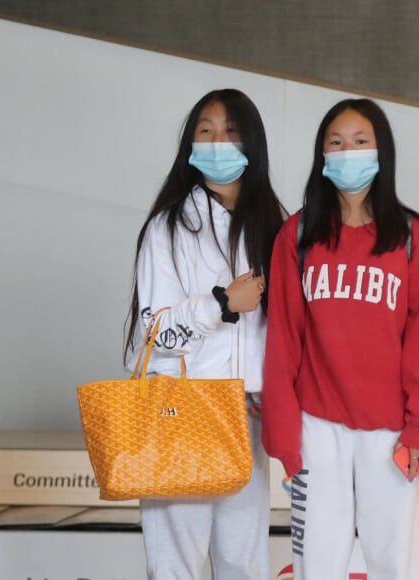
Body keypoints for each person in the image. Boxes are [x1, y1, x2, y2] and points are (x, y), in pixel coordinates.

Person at [262, 98, 419, 580]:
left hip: (391, 431)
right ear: (322, 155)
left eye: (360, 141)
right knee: (317, 567)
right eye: (336, 142)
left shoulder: (412, 236)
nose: (348, 151)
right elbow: (284, 340)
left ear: (380, 152)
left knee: (394, 564)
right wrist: (285, 437)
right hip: (316, 430)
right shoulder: (299, 235)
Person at [124, 88, 285, 580]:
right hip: (180, 408)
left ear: (251, 143)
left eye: (231, 131)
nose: (218, 142)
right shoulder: (169, 228)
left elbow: (282, 329)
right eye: (206, 130)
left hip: (245, 413)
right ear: (190, 144)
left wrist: (267, 387)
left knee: (246, 563)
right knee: (176, 565)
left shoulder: (274, 225)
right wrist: (219, 305)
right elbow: (154, 334)